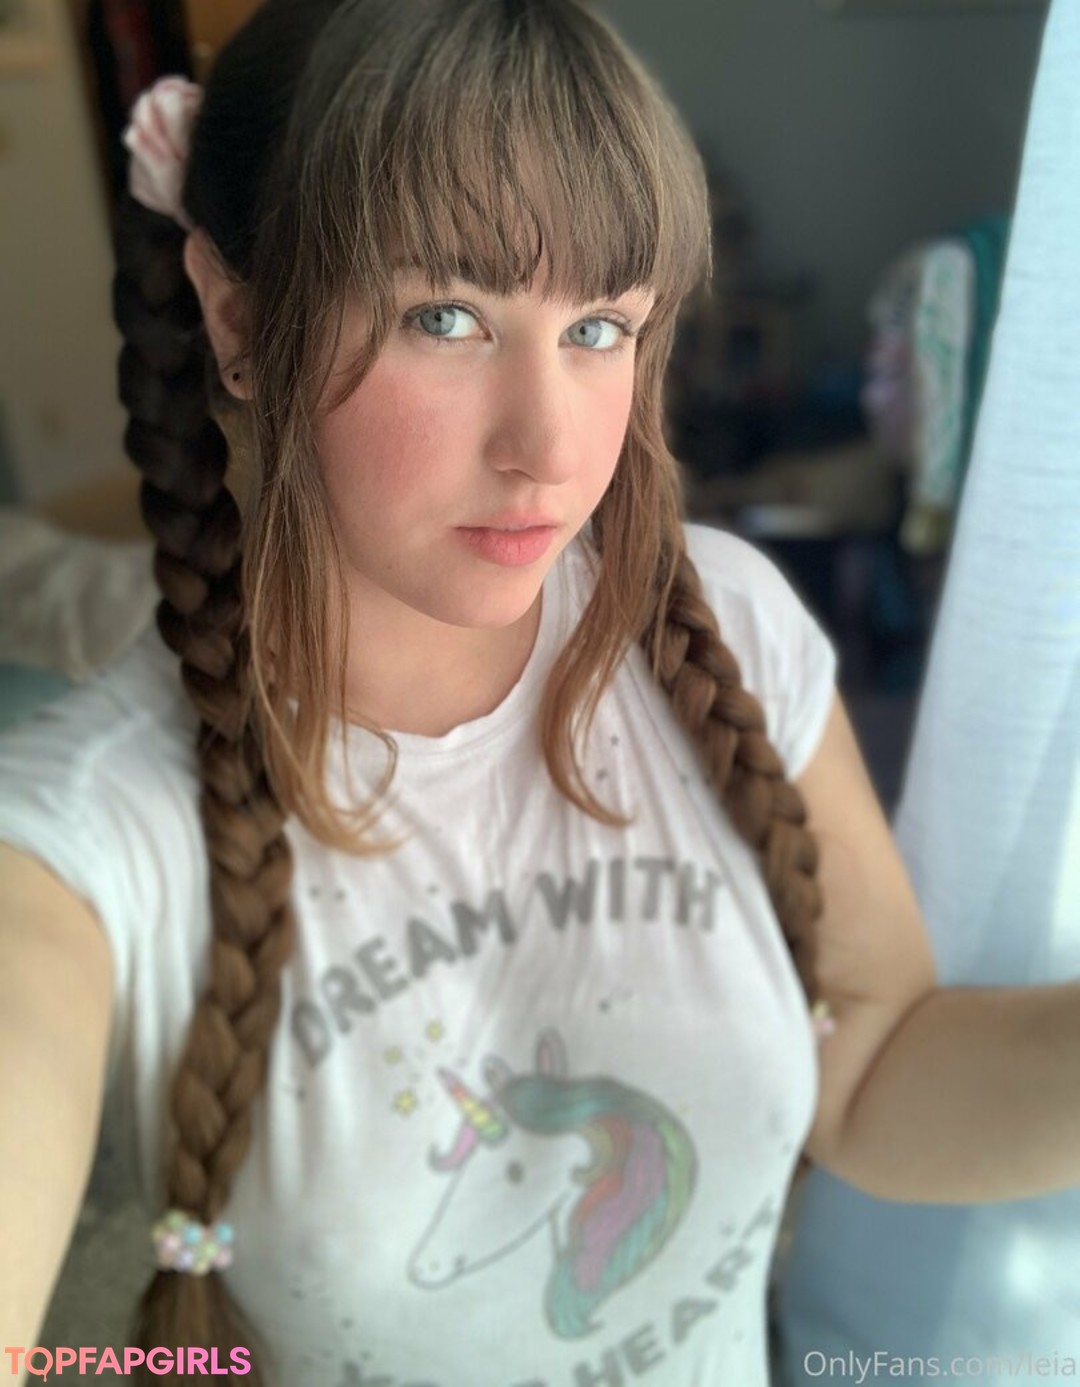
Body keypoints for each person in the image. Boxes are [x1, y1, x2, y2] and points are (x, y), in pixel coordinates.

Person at [0, 3, 1077, 1385]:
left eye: (601, 325)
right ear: (238, 319)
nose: (551, 450)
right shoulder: (91, 842)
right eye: (446, 316)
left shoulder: (728, 624)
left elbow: (871, 1070)